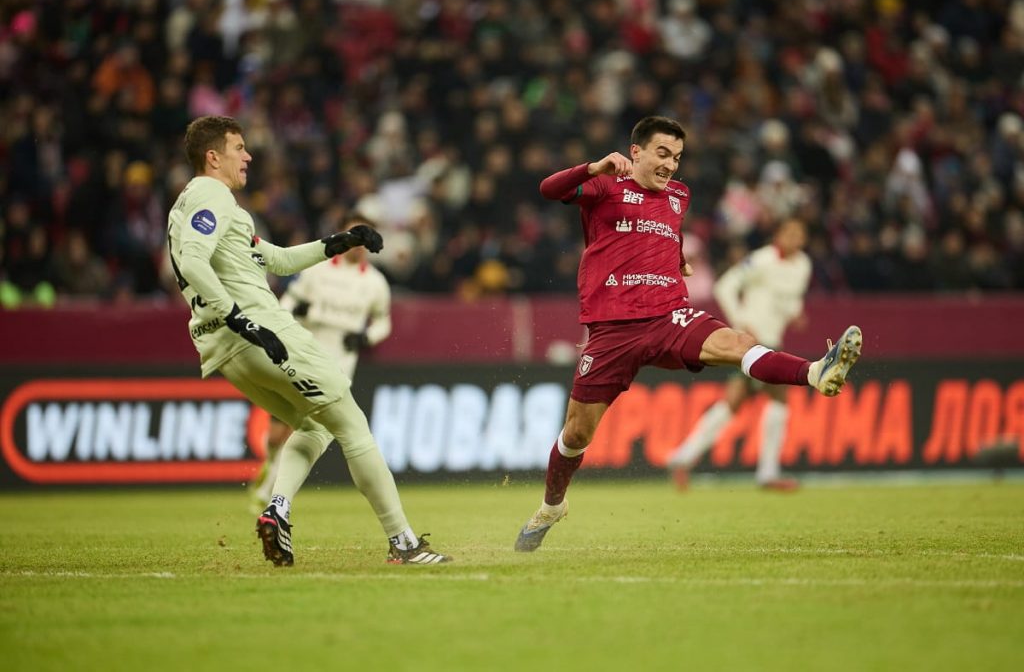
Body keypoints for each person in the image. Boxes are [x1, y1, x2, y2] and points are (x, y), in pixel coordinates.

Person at [514, 116, 861, 552]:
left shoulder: (679, 196)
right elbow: (548, 189)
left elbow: (664, 232)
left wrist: (675, 258)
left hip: (668, 316)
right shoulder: (605, 185)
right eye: (662, 154)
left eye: (677, 157)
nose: (670, 165)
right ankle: (552, 506)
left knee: (737, 343)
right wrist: (592, 167)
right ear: (636, 151)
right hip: (612, 329)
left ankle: (814, 371)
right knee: (577, 434)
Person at [167, 115, 449, 566]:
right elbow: (193, 261)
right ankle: (403, 542)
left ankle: (276, 511)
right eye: (239, 148)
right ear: (213, 157)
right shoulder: (212, 194)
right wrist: (242, 319)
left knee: (315, 426)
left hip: (224, 350)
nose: (248, 156)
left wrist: (338, 242)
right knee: (353, 425)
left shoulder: (192, 207)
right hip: (257, 330)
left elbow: (277, 260)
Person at [248, 212, 392, 510]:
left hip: (340, 364)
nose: (358, 246)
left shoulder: (376, 283)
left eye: (363, 239)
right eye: (353, 236)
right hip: (304, 352)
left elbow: (383, 322)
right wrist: (293, 313)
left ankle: (270, 493)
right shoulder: (317, 269)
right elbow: (288, 302)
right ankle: (271, 467)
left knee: (308, 427)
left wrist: (365, 338)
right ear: (342, 235)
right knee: (276, 435)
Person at [666, 218, 812, 491]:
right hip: (754, 343)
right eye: (789, 232)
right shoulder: (762, 260)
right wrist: (741, 324)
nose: (794, 238)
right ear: (778, 235)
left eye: (799, 234)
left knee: (733, 403)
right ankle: (768, 473)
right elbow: (724, 286)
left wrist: (795, 314)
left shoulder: (803, 265)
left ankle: (682, 457)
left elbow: (790, 300)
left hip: (771, 341)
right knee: (779, 397)